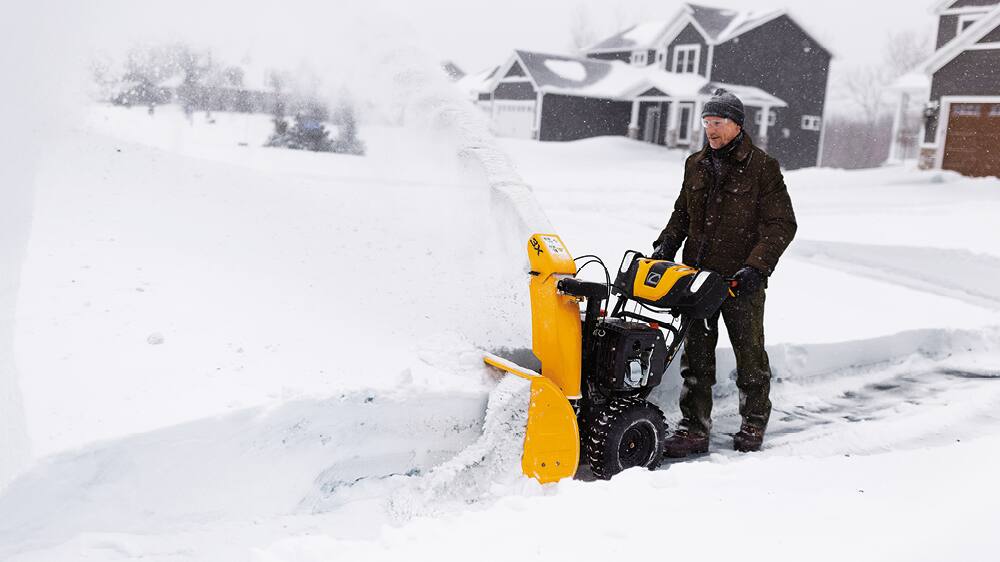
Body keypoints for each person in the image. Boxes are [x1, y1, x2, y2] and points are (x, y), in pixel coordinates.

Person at [651, 89, 797, 454]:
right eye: (706, 123)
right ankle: (694, 429)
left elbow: (781, 224)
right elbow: (682, 213)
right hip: (696, 280)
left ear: (737, 125)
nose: (710, 131)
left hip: (738, 282)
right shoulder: (695, 164)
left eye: (717, 123)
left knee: (750, 357)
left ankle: (753, 423)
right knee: (696, 360)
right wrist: (665, 245)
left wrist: (756, 266)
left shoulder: (763, 168)